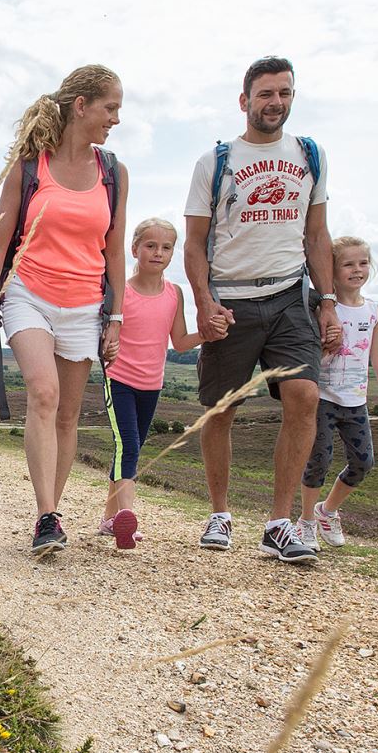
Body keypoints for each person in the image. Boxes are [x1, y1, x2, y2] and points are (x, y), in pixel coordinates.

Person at [182, 55, 342, 564]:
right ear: (244, 100)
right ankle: (220, 513)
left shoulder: (309, 155)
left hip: (290, 297)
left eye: (285, 93)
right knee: (222, 409)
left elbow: (317, 235)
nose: (276, 103)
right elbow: (193, 243)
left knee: (305, 396)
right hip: (231, 300)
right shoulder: (216, 162)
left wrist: (328, 302)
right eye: (266, 94)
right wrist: (205, 302)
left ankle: (278, 523)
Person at [0, 65, 129, 555]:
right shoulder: (29, 165)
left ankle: (52, 517)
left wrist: (117, 316)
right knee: (43, 393)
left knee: (66, 415)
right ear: (81, 106)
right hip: (28, 294)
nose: (116, 119)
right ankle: (45, 515)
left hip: (85, 305)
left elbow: (116, 250)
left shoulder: (113, 173)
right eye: (111, 107)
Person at [97, 217, 222, 548]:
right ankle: (127, 517)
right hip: (119, 379)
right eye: (150, 246)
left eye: (166, 247)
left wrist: (207, 333)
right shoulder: (121, 289)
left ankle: (109, 520)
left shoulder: (174, 294)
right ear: (135, 248)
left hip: (152, 385)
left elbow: (179, 342)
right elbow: (106, 332)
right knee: (129, 445)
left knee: (127, 448)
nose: (158, 253)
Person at [297, 236, 378, 548]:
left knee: (363, 462)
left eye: (363, 263)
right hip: (325, 398)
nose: (357, 270)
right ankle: (305, 523)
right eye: (348, 264)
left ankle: (327, 511)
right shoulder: (322, 309)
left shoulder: (375, 312)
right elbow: (312, 353)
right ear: (332, 268)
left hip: (357, 402)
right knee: (318, 461)